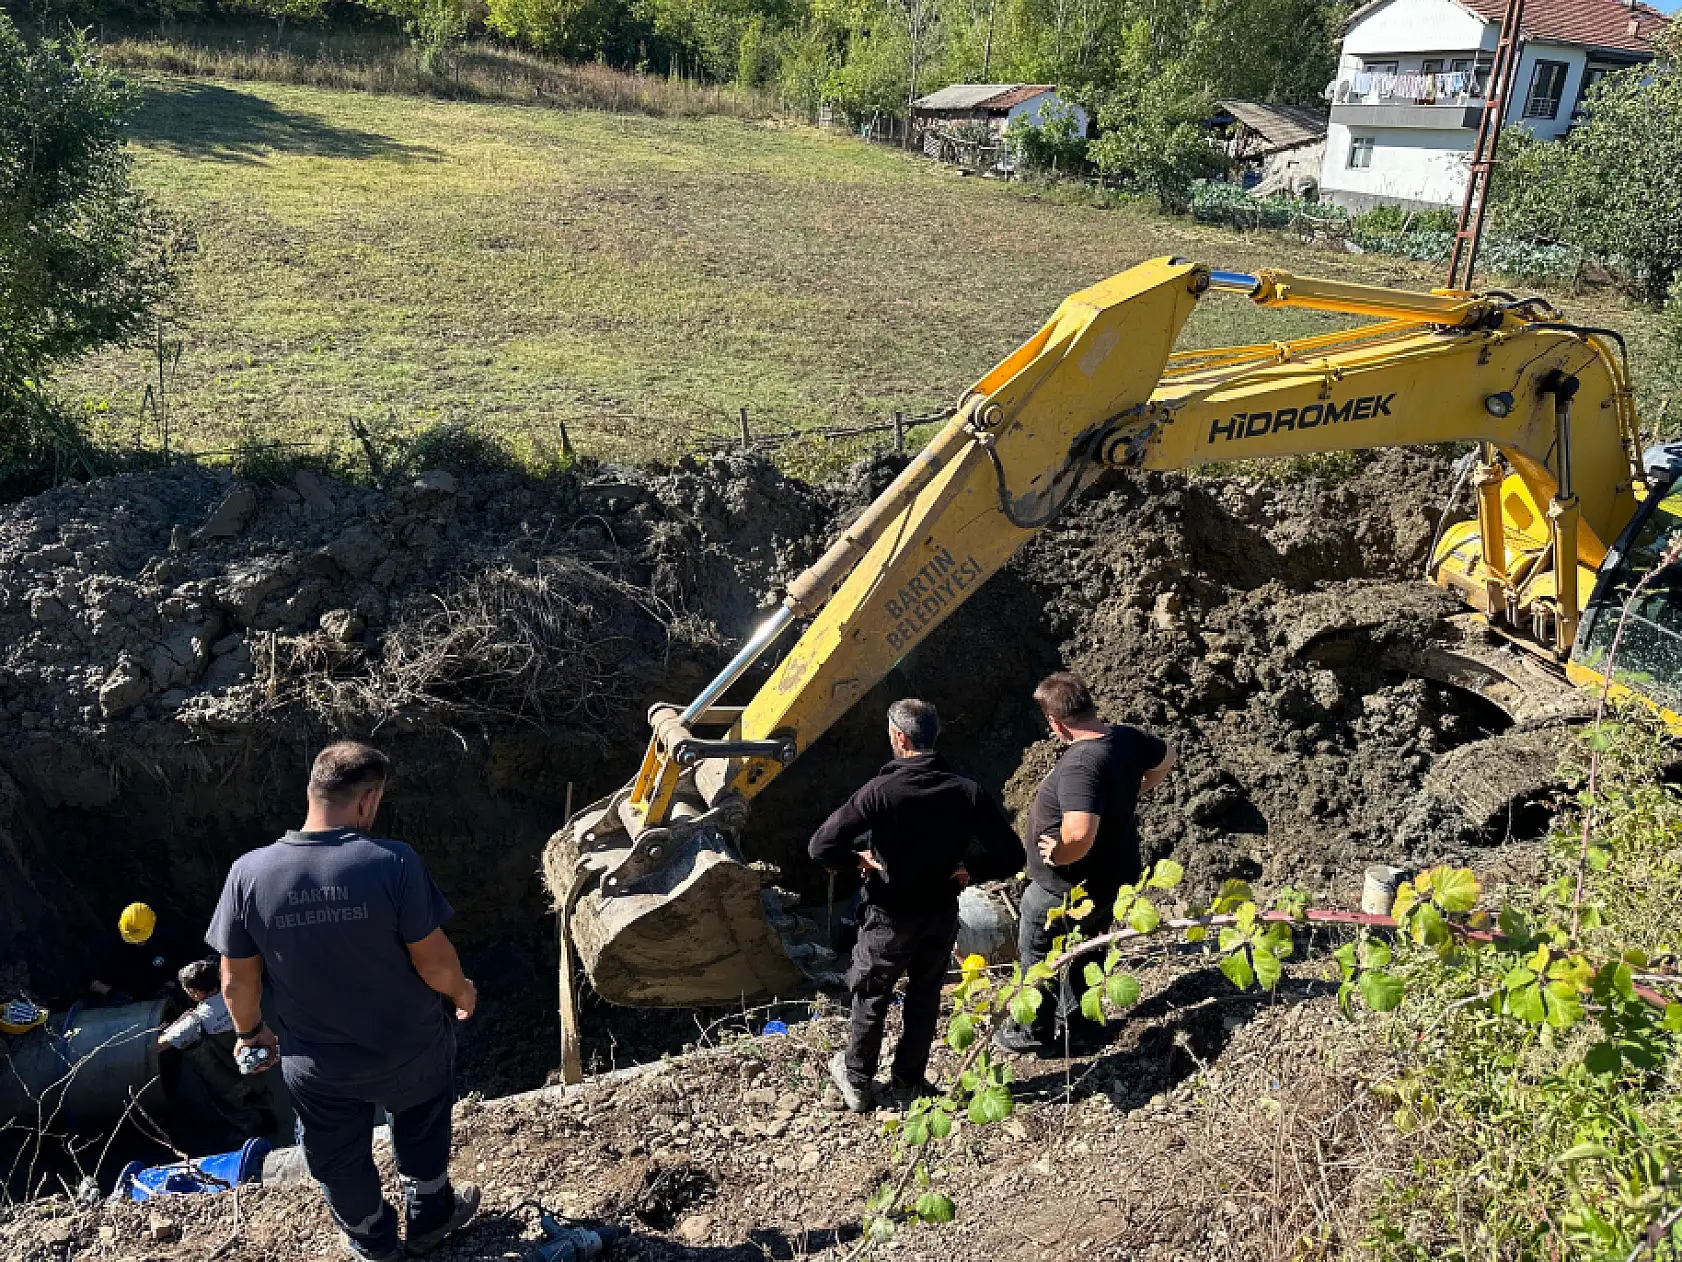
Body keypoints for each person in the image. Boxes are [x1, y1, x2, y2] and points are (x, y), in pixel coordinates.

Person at [206, 741, 480, 1261]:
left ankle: (371, 1238)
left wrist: (250, 1033)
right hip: (411, 1047)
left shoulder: (248, 874)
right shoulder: (392, 862)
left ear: (312, 792)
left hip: (319, 1065)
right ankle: (429, 1219)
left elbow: (236, 982)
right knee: (422, 1123)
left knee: (335, 1155)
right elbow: (435, 964)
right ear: (367, 800)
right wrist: (462, 992)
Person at [809, 699, 1021, 1112]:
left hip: (888, 916)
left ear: (899, 738)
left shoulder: (880, 792)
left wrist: (855, 860)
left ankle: (857, 1079)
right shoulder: (966, 790)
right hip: (940, 913)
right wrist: (970, 871)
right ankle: (908, 1082)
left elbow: (821, 846)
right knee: (925, 995)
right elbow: (1012, 856)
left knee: (872, 993)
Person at [994, 672, 1175, 1055]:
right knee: (1088, 949)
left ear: (1055, 723)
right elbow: (1167, 756)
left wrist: (1056, 853)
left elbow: (1078, 834)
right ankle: (1079, 1025)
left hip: (1064, 890)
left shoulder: (1081, 766)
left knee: (1040, 956)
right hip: (1114, 877)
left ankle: (1031, 1031)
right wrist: (1134, 791)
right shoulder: (1126, 738)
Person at [158, 958, 273, 1140]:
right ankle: (270, 1120)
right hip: (256, 1061)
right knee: (261, 1092)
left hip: (228, 1076)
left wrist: (174, 1025)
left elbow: (159, 1045)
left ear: (194, 992)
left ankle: (247, 1140)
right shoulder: (240, 995)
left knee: (237, 1110)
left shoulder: (197, 1018)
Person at [88, 902, 195, 1005]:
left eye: (143, 938)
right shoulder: (109, 942)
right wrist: (109, 992)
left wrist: (171, 985)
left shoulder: (168, 937)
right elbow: (90, 977)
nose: (139, 943)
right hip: (124, 1000)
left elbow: (186, 965)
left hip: (162, 994)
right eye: (134, 940)